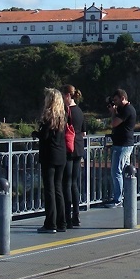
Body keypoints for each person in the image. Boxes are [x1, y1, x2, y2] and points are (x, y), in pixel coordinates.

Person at [35, 88, 68, 234]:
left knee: (49, 190)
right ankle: (62, 222)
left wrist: (36, 133)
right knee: (58, 189)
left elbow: (45, 136)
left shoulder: (49, 116)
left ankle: (50, 223)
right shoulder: (63, 116)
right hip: (61, 155)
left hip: (49, 156)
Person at [102, 88, 136, 207]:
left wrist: (113, 112)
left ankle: (118, 199)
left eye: (116, 100)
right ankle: (126, 196)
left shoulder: (127, 110)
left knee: (116, 171)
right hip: (122, 144)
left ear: (123, 98)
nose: (114, 102)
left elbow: (114, 123)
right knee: (126, 171)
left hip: (123, 145)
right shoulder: (125, 109)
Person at [61, 84, 85, 228]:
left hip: (68, 149)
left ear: (68, 95)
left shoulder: (66, 111)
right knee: (74, 184)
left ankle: (67, 217)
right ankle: (76, 215)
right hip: (79, 147)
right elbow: (84, 132)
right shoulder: (80, 112)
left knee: (67, 183)